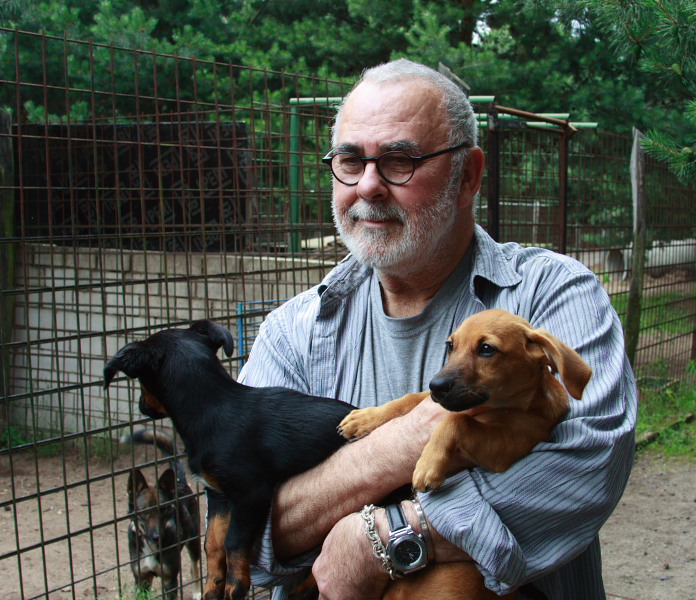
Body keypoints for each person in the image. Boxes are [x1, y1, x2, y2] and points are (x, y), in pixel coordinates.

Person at [239, 58, 637, 600]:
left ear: (468, 176)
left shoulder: (553, 293)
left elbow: (586, 469)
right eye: (351, 161)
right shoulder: (294, 333)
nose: (370, 186)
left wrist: (387, 536)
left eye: (400, 160)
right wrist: (399, 443)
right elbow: (243, 526)